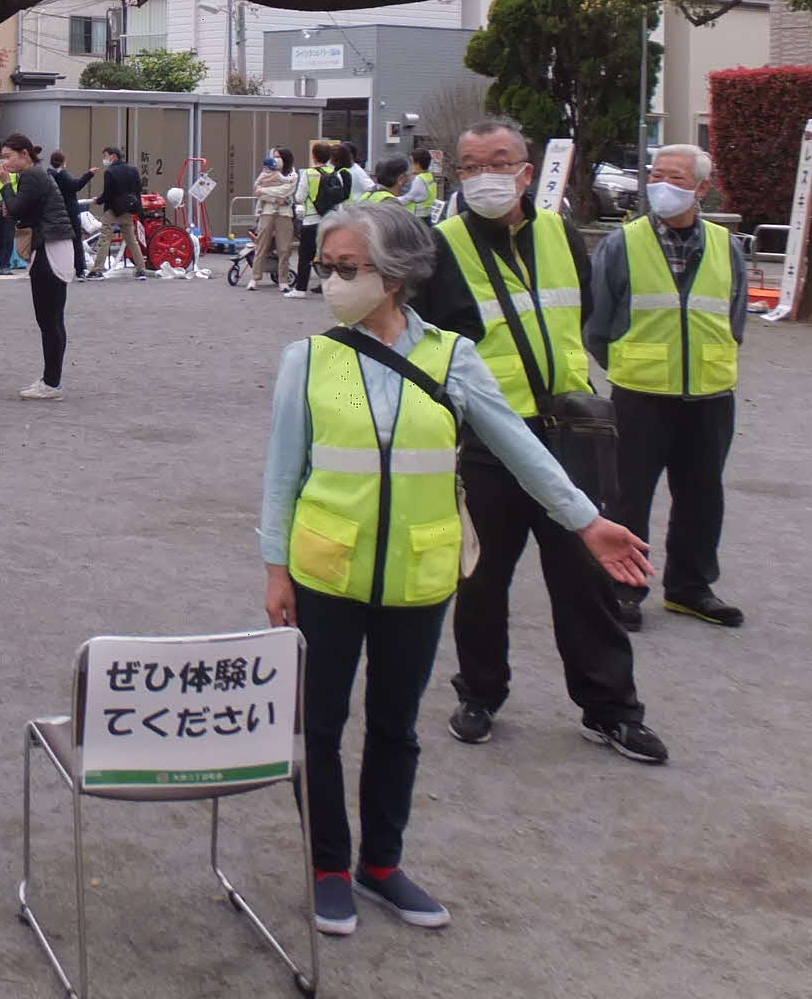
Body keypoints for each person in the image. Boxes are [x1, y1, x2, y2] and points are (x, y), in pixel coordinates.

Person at [261, 200, 651, 938]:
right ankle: (328, 867)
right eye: (325, 267)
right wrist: (276, 568)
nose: (332, 282)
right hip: (326, 576)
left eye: (349, 268)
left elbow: (520, 447)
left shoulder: (452, 356)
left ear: (396, 276)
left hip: (419, 575)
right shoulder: (307, 360)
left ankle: (382, 863)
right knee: (320, 726)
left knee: (396, 727)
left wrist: (586, 520)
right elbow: (283, 475)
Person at [420, 118, 667, 764]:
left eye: (499, 162)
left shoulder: (561, 234)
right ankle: (479, 693)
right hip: (487, 442)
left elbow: (578, 316)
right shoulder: (439, 246)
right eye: (470, 167)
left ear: (527, 171)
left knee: (586, 577)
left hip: (571, 436)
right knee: (480, 581)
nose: (485, 177)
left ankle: (610, 709)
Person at [586, 144, 748, 631]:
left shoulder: (726, 245)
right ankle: (624, 589)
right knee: (629, 496)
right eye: (656, 175)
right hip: (640, 394)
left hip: (710, 394)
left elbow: (734, 318)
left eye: (676, 178)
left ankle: (691, 588)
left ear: (701, 188)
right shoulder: (622, 244)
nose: (662, 185)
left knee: (702, 494)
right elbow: (597, 323)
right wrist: (631, 362)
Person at [0, 134, 77, 400]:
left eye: (8, 156)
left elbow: (18, 209)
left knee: (48, 321)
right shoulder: (39, 175)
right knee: (54, 319)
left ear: (24, 154)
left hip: (49, 248)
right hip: (56, 245)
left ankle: (52, 384)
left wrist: (6, 186)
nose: (4, 162)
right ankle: (50, 379)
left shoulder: (31, 176)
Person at [285, 142, 350, 298]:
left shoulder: (309, 173)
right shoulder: (336, 172)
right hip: (330, 220)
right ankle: (332, 287)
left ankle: (300, 289)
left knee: (306, 255)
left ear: (314, 156)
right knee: (327, 255)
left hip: (311, 220)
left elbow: (299, 197)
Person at [92, 145, 147, 279]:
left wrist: (97, 201)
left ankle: (97, 269)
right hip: (128, 209)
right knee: (131, 240)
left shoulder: (110, 172)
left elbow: (107, 194)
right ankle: (141, 269)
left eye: (105, 156)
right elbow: (138, 190)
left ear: (113, 156)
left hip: (112, 210)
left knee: (105, 239)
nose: (104, 159)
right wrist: (137, 208)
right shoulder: (133, 169)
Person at [248, 149, 297, 289]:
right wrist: (275, 197)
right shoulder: (266, 172)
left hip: (285, 214)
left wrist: (266, 191)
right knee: (261, 245)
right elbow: (257, 190)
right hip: (266, 212)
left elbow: (288, 190)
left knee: (284, 248)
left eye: (279, 157)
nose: (276, 159)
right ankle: (255, 278)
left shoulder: (292, 174)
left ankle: (283, 280)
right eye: (274, 157)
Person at [45, 149, 91, 279]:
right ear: (63, 162)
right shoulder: (63, 175)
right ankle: (80, 269)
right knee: (76, 240)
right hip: (69, 212)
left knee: (56, 241)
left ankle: (54, 267)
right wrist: (89, 174)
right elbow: (75, 185)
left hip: (54, 212)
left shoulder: (48, 174)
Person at [403, 148, 440, 222]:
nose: (411, 165)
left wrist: (392, 200)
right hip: (427, 218)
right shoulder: (429, 176)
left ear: (418, 164)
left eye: (412, 162)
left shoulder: (419, 180)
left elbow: (408, 198)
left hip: (417, 220)